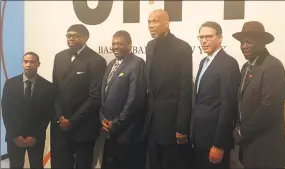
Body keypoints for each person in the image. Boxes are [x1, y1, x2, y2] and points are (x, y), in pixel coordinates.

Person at [232, 21, 285, 168]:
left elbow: (269, 108)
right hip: (250, 147)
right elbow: (240, 103)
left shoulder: (273, 66)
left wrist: (242, 132)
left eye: (249, 42)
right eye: (242, 42)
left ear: (262, 42)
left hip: (266, 149)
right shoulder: (246, 67)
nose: (244, 46)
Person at [50, 24, 107, 169]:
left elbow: (95, 96)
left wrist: (72, 121)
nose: (71, 39)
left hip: (84, 127)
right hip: (61, 126)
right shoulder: (59, 57)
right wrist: (60, 116)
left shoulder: (97, 60)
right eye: (69, 36)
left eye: (75, 36)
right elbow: (54, 90)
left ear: (85, 38)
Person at [143, 9, 193, 169]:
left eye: (156, 21)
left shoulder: (182, 48)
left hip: (172, 126)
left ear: (167, 22)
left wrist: (182, 127)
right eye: (149, 21)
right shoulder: (149, 46)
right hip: (151, 124)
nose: (151, 25)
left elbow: (186, 89)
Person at [190, 21, 240, 169]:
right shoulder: (203, 62)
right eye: (201, 37)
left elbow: (228, 106)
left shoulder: (228, 63)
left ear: (220, 39)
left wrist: (219, 144)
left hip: (214, 140)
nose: (204, 41)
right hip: (199, 138)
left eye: (208, 37)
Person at [100, 30, 147, 169]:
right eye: (114, 43)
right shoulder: (111, 64)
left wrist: (117, 123)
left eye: (120, 44)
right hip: (109, 130)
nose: (115, 47)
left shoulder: (137, 63)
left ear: (130, 45)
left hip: (127, 132)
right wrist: (102, 118)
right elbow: (104, 95)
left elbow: (135, 98)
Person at [1, 52, 55, 169]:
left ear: (38, 64)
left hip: (36, 138)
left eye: (32, 62)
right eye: (25, 62)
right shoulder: (10, 84)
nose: (28, 65)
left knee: (36, 165)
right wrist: (15, 136)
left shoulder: (48, 87)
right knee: (15, 166)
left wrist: (35, 136)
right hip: (14, 137)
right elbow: (6, 112)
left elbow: (47, 114)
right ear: (22, 64)